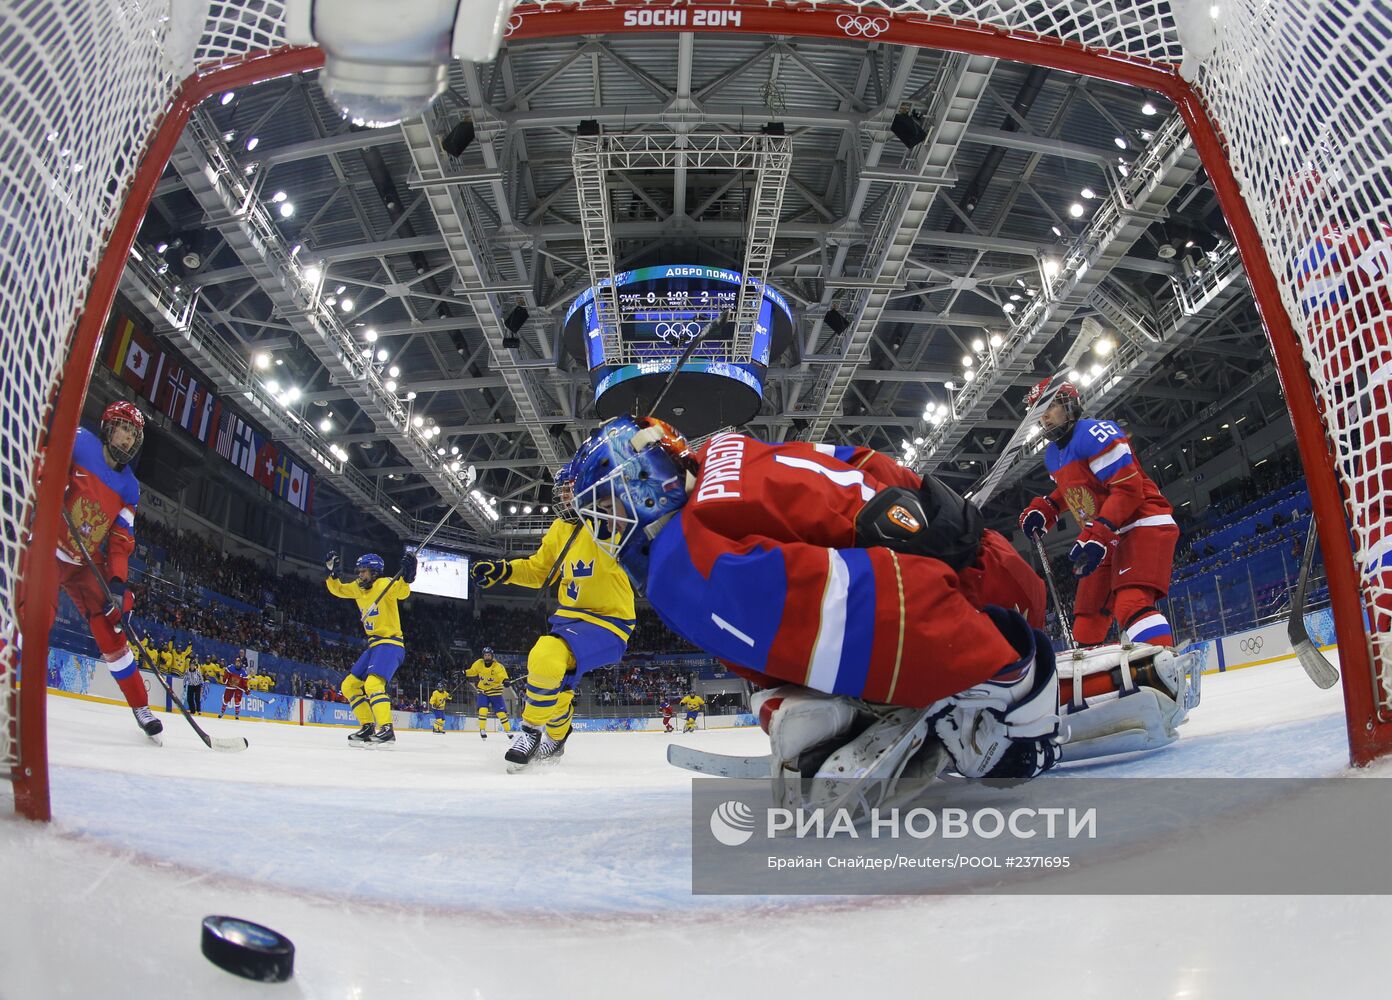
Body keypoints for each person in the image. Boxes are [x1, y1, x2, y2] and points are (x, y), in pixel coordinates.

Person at [569, 415, 1059, 789]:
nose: (604, 528)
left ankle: (1001, 697)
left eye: (607, 505)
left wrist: (979, 661)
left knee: (782, 703)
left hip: (983, 618)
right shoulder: (731, 448)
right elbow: (869, 464)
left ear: (648, 479)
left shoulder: (679, 557)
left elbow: (854, 606)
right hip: (995, 560)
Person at [470, 456, 635, 770]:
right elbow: (537, 570)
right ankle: (557, 740)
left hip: (608, 623)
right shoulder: (561, 528)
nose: (562, 497)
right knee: (555, 689)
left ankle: (531, 732)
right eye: (560, 492)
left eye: (569, 489)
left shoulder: (611, 517)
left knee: (544, 654)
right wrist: (502, 570)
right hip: (570, 620)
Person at [1019, 379, 1178, 649]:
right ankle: (1095, 684)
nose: (1044, 416)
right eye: (1038, 411)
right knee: (1087, 615)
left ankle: (1163, 672)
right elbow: (1078, 488)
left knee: (1132, 601)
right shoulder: (1053, 455)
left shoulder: (1096, 433)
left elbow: (1128, 490)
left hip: (1141, 522)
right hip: (1105, 533)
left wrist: (1099, 532)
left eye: (1050, 406)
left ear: (1069, 406)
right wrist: (1049, 507)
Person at [36, 401, 162, 740]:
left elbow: (120, 542)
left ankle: (140, 705)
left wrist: (118, 586)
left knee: (113, 629)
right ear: (109, 427)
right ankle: (10, 681)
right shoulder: (79, 441)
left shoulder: (129, 488)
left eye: (133, 435)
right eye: (123, 430)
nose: (126, 440)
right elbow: (40, 464)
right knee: (35, 615)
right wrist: (51, 479)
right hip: (48, 548)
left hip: (84, 563)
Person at [326, 550, 417, 747]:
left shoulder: (384, 584)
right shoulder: (358, 588)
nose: (360, 575)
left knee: (373, 685)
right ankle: (368, 726)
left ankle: (386, 728)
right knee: (348, 686)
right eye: (359, 572)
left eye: (364, 572)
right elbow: (338, 590)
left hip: (390, 644)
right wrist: (333, 574)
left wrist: (409, 576)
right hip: (374, 646)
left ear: (375, 572)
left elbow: (402, 591)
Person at [464, 647, 511, 739]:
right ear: (483, 656)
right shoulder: (479, 663)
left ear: (492, 656)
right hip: (483, 692)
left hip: (495, 693)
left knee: (501, 713)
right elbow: (473, 671)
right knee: (483, 710)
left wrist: (505, 680)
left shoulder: (497, 666)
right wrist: (464, 672)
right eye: (485, 655)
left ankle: (508, 731)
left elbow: (502, 675)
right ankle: (482, 730)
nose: (487, 657)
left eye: (489, 655)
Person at [218, 654, 247, 720]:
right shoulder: (230, 668)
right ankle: (222, 712)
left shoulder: (243, 672)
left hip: (238, 688)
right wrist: (225, 679)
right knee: (226, 699)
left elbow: (244, 682)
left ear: (241, 664)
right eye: (236, 662)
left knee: (237, 701)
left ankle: (237, 714)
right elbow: (226, 675)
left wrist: (246, 689)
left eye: (239, 663)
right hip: (230, 686)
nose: (237, 664)